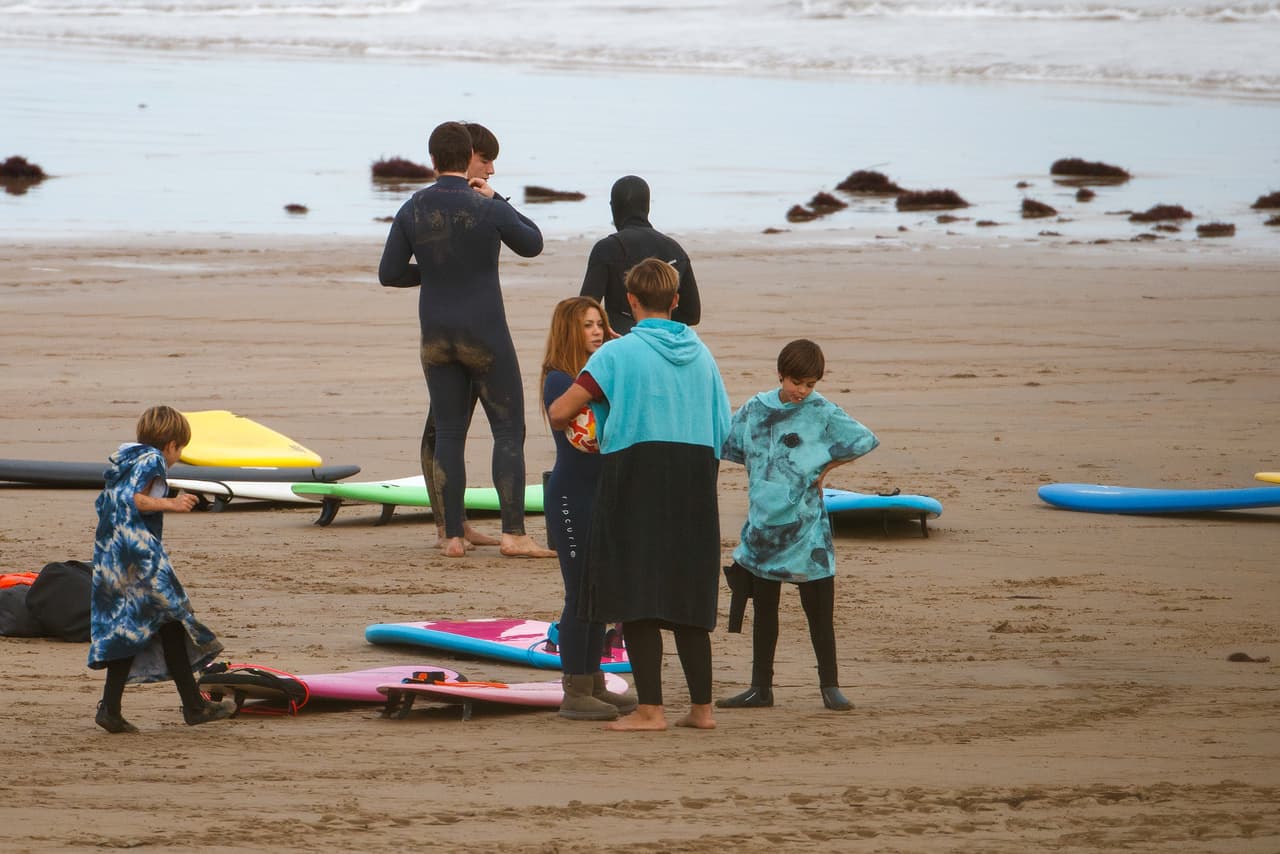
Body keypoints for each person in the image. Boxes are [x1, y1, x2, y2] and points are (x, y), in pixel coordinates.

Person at [549, 258, 731, 731]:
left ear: (629, 301)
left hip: (636, 472)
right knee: (689, 594)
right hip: (695, 475)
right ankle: (702, 710)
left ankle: (651, 710)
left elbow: (560, 410)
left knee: (639, 593)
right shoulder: (704, 355)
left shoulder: (616, 354)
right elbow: (724, 427)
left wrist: (606, 408)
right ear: (675, 301)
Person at [379, 120, 554, 559]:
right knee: (508, 431)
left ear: (433, 159)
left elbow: (390, 273)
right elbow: (532, 244)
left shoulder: (412, 208)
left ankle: (452, 535)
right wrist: (499, 203)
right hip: (485, 332)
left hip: (435, 336)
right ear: (467, 156)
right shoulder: (487, 205)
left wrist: (435, 274)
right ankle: (513, 534)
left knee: (451, 434)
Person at [716, 339, 879, 712]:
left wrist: (825, 467)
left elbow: (862, 439)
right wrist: (769, 474)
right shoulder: (755, 409)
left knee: (819, 610)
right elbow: (729, 445)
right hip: (762, 527)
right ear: (780, 374)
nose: (802, 392)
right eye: (796, 383)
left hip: (808, 530)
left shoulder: (821, 411)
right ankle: (761, 687)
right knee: (765, 613)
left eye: (810, 384)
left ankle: (830, 686)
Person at [88, 406, 231, 733]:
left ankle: (120, 708)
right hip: (138, 556)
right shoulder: (152, 459)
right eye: (179, 450)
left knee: (149, 625)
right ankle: (190, 707)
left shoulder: (126, 458)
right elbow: (133, 500)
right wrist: (173, 503)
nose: (177, 457)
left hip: (112, 554)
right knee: (170, 617)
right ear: (170, 444)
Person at [540, 296, 638, 721]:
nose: (597, 331)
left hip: (602, 496)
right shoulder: (561, 379)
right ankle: (575, 690)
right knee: (580, 592)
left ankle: (594, 681)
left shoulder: (595, 375)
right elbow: (590, 439)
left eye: (600, 323)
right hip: (571, 497)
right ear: (569, 331)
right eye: (587, 326)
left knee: (599, 591)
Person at [420, 121, 503, 550]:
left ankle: (458, 524)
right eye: (485, 159)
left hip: (443, 331)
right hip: (467, 333)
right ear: (466, 154)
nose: (490, 169)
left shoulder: (482, 202)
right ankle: (444, 526)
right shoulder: (458, 202)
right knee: (442, 429)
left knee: (454, 425)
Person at [580, 175, 701, 335]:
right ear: (647, 207)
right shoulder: (675, 250)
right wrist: (659, 325)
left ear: (613, 207)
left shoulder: (607, 249)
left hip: (621, 340)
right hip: (666, 340)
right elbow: (691, 314)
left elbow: (584, 309)